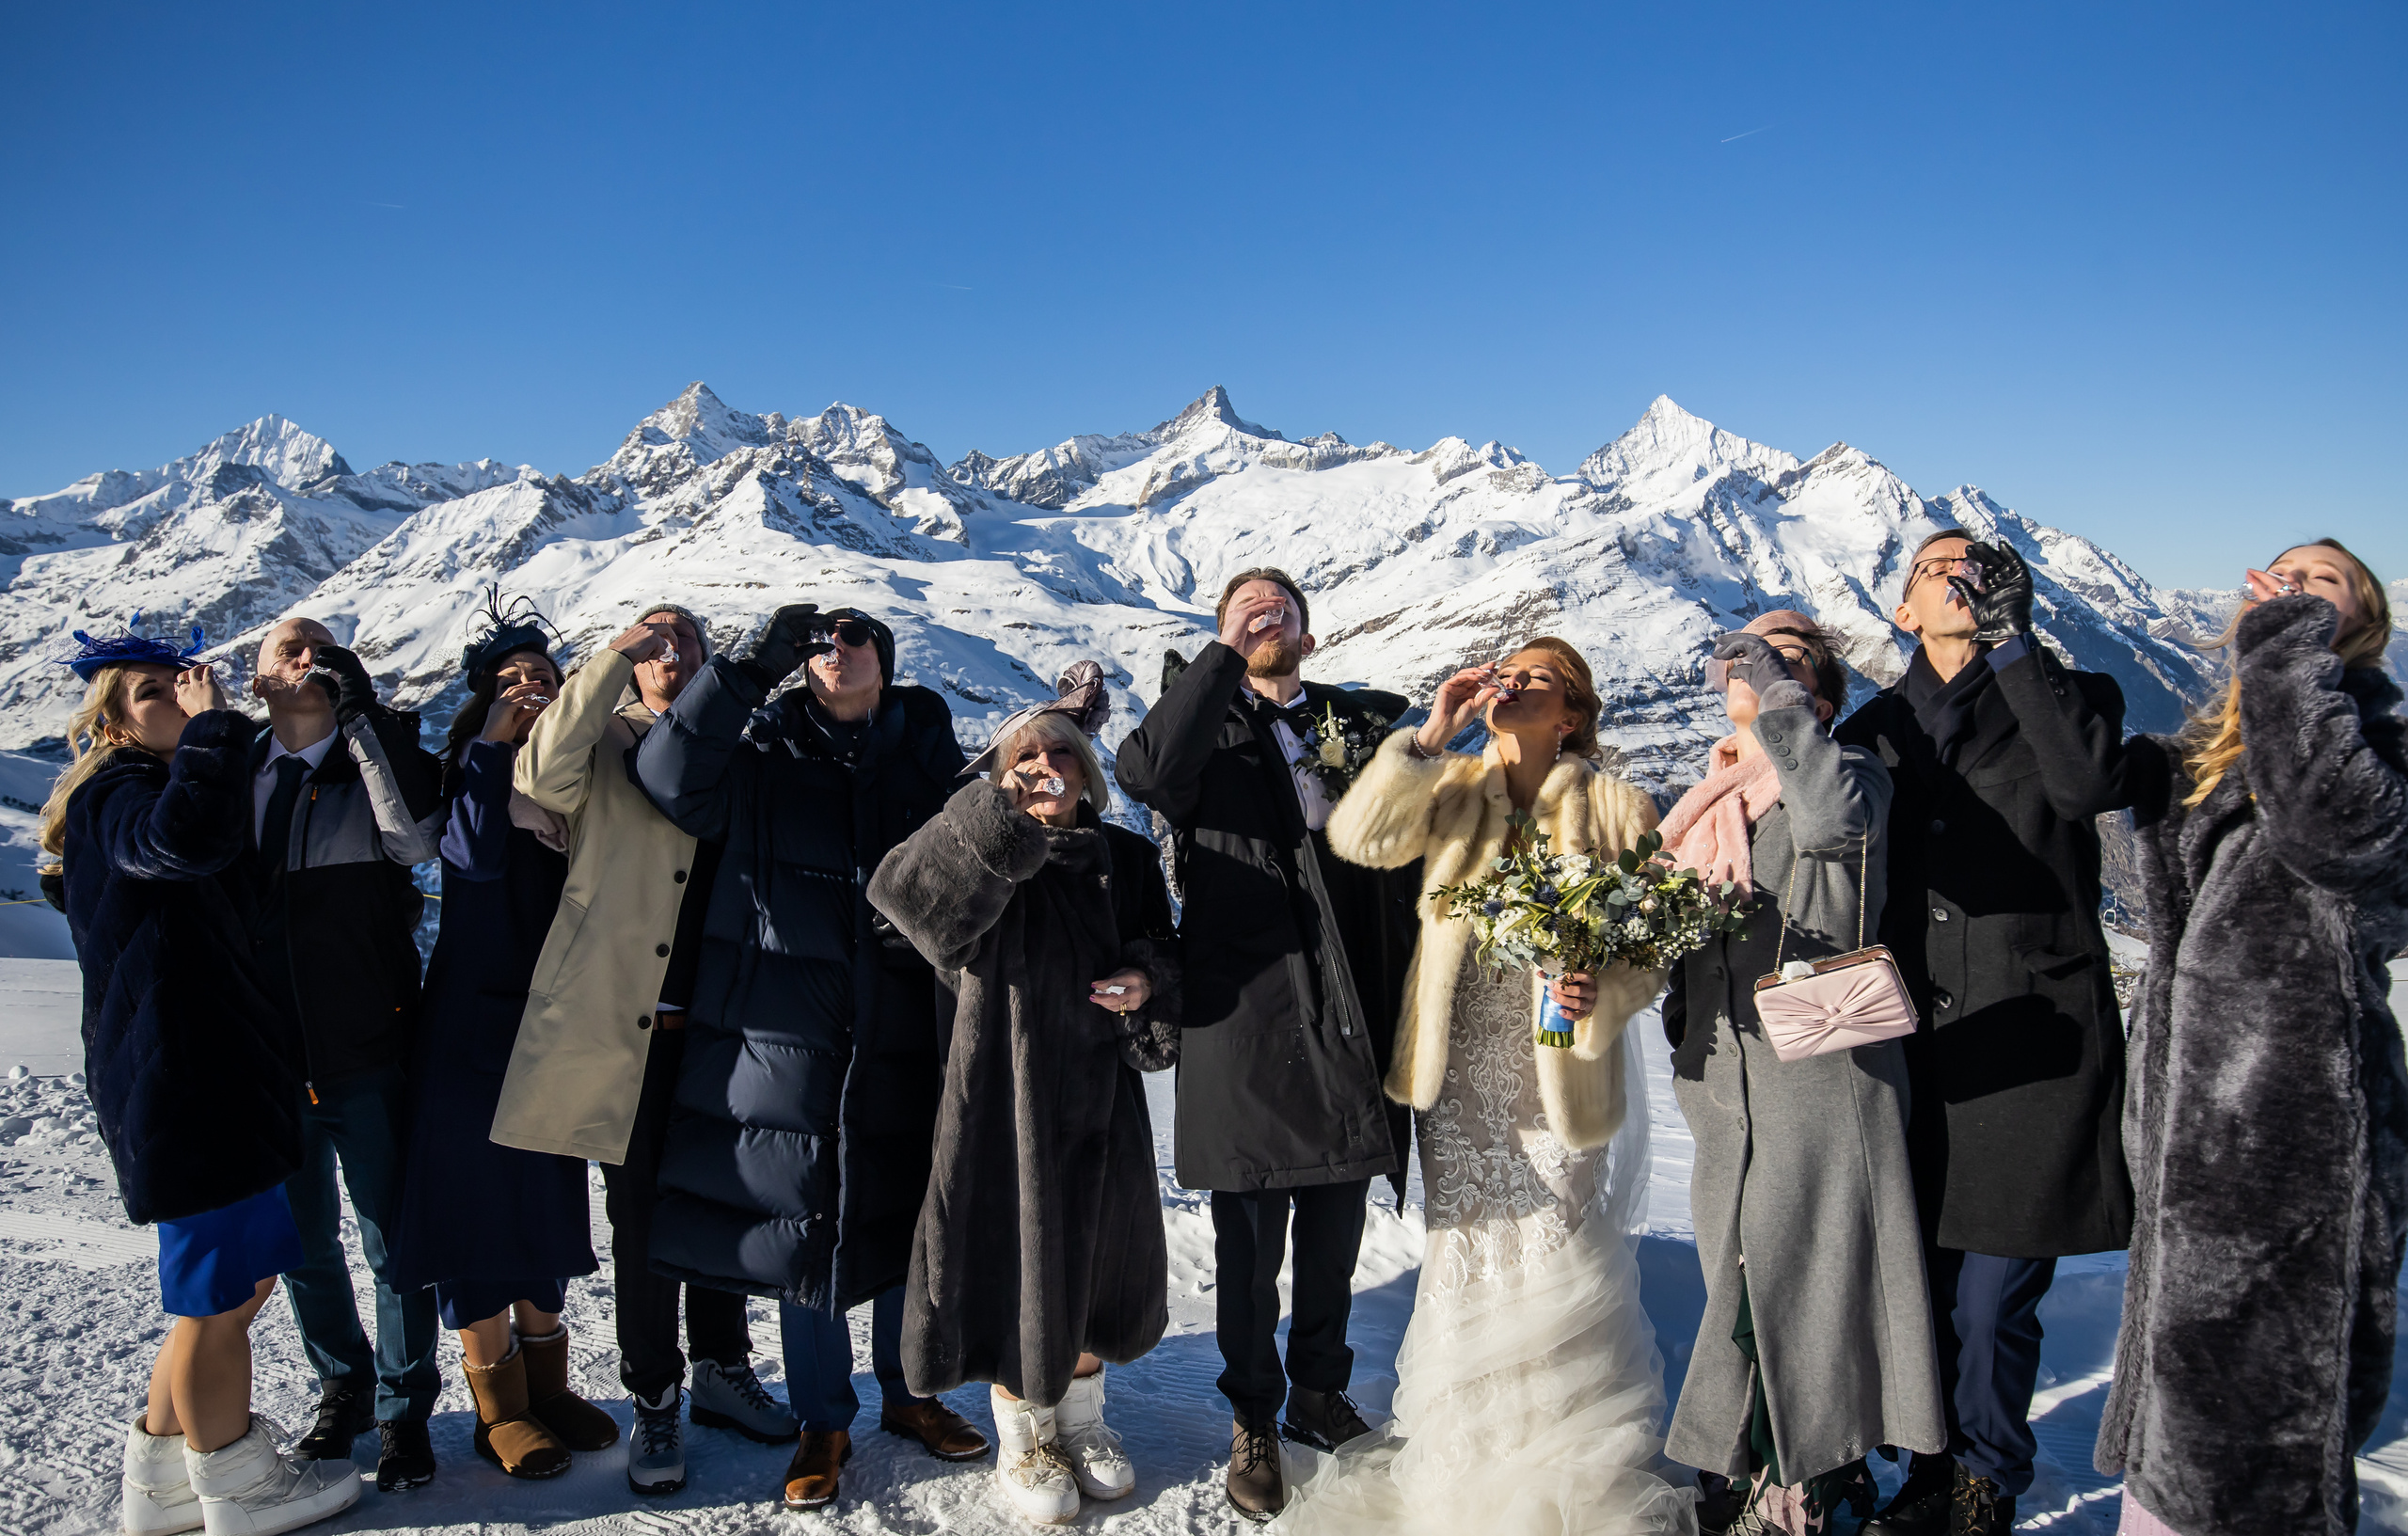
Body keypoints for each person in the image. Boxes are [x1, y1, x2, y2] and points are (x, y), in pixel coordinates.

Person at [1273, 635, 1691, 1535]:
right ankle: (1467, 1462)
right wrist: (1431, 733)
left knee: (1556, 1246)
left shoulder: (1619, 806)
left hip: (1559, 1064)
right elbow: (1360, 835)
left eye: (1532, 678)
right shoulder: (1455, 789)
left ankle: (1562, 1473)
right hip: (1459, 1068)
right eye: (1505, 674)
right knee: (1469, 1250)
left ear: (1570, 712)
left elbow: (1652, 954)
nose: (1509, 684)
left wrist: (1602, 989)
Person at [1838, 531, 2160, 1536]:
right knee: (1922, 1284)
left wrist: (2015, 642)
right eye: (1937, 567)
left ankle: (1986, 1478)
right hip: (1910, 1047)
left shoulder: (2071, 697)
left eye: (1980, 566)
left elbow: (2084, 789)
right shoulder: (1871, 727)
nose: (1961, 576)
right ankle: (1930, 1468)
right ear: (1899, 610)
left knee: (1991, 1297)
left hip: (2034, 1045)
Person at [637, 601, 990, 1512]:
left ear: (889, 658)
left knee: (909, 1212)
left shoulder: (926, 760)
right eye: (821, 639)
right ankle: (822, 1419)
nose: (839, 647)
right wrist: (746, 668)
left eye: (858, 634)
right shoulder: (760, 752)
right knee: (808, 1225)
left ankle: (911, 1395)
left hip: (906, 1024)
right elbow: (667, 773)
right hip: (781, 1029)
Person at [2096, 542, 2408, 1536]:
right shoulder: (2224, 745)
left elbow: (2343, 834)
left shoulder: (2382, 743)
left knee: (2257, 1438)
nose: (2291, 583)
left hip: (2297, 1124)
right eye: (2279, 575)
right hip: (2199, 1119)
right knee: (2182, 1410)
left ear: (2361, 615)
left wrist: (2279, 655)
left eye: (2322, 576)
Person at [41, 623, 359, 1536]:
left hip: (201, 1076)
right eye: (151, 694)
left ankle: (161, 1476)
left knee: (229, 1284)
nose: (178, 699)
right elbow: (178, 843)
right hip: (184, 1085)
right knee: (220, 1294)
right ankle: (237, 1483)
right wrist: (215, 732)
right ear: (109, 725)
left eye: (178, 685)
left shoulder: (132, 786)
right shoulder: (122, 792)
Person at [1113, 568, 1417, 1523]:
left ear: (1311, 638)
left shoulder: (1352, 722)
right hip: (1241, 1012)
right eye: (1244, 610)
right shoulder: (1198, 727)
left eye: (1279, 608)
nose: (1264, 616)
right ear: (1218, 636)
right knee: (1249, 1246)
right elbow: (1145, 773)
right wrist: (1221, 662)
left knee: (1335, 1232)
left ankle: (1319, 1392)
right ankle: (1252, 1415)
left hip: (1345, 1004)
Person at [868, 664, 1181, 1525]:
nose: (1043, 765)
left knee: (1093, 1254)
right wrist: (1003, 816)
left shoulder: (1124, 857)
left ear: (1087, 768)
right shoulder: (979, 849)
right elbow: (909, 904)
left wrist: (1145, 981)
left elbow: (1165, 947)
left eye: (1059, 752)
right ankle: (1025, 1433)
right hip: (996, 1091)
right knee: (1012, 1253)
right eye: (1022, 756)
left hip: (1100, 1097)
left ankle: (1081, 1420)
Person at [494, 603, 795, 1496]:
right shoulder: (597, 740)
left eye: (685, 642)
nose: (670, 654)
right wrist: (611, 654)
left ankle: (721, 1368)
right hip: (629, 1024)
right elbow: (540, 773)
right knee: (643, 1222)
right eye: (653, 643)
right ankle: (654, 1394)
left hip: (723, 1022)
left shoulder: (733, 745)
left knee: (722, 1202)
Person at [1657, 615, 1942, 1535]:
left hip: (1822, 1088)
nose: (1750, 651)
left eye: (1781, 652)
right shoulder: (1708, 805)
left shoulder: (1847, 775)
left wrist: (1779, 697)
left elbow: (1831, 826)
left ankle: (1802, 1490)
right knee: (1743, 1289)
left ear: (1811, 698)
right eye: (1746, 647)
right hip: (1722, 1095)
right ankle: (1774, 1480)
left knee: (1797, 1299)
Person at [387, 599, 616, 1480]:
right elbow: (477, 857)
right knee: (475, 1212)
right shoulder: (468, 778)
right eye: (513, 680)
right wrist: (489, 747)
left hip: (552, 1022)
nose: (532, 689)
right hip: (471, 1025)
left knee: (542, 1203)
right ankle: (500, 1408)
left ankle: (549, 1388)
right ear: (483, 699)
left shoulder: (584, 783)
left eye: (547, 680)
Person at [244, 615, 448, 1491]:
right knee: (302, 1243)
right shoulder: (238, 767)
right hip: (270, 1053)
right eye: (284, 650)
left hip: (369, 1042)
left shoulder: (371, 751)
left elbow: (416, 841)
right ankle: (344, 1388)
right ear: (255, 678)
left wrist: (364, 719)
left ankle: (405, 1410)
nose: (304, 659)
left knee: (391, 1240)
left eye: (318, 646)